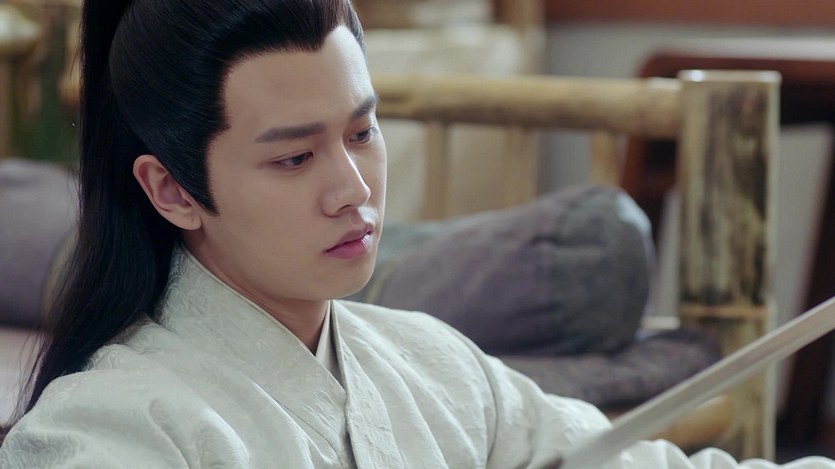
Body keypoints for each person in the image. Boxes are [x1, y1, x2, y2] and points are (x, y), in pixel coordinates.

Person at [0, 0, 831, 467]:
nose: (354, 189)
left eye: (362, 132)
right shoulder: (110, 431)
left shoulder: (433, 364)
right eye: (294, 157)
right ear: (173, 189)